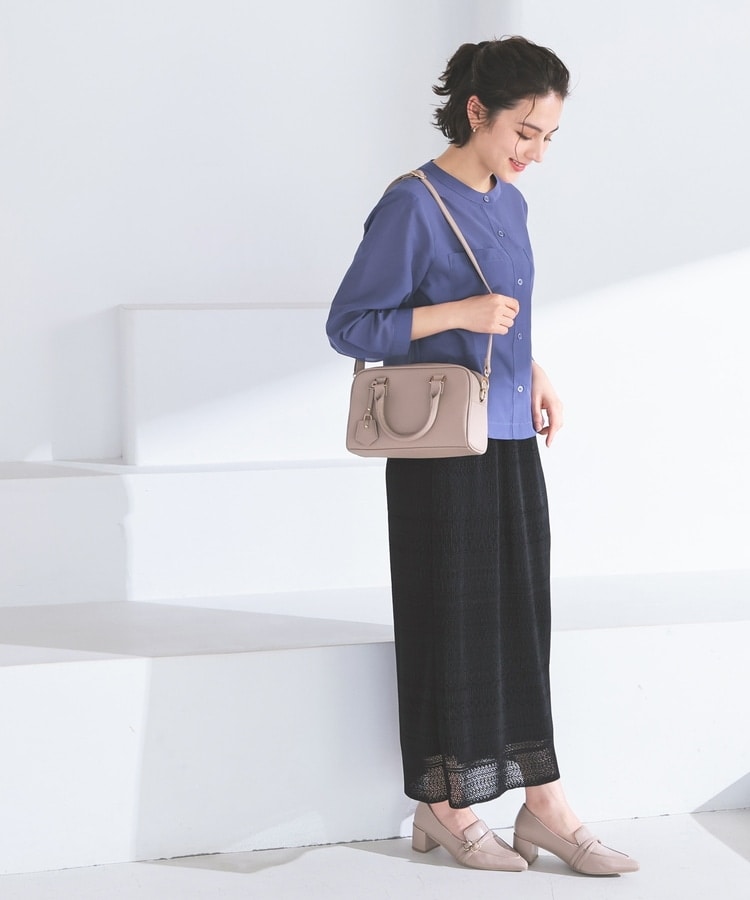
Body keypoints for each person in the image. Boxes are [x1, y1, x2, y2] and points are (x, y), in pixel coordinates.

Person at [326, 36, 638, 876]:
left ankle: (544, 803)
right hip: (440, 445)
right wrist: (456, 314)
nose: (535, 152)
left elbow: (507, 314)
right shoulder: (414, 203)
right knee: (448, 624)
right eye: (524, 132)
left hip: (508, 436)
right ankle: (444, 804)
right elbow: (350, 326)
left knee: (520, 623)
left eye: (548, 137)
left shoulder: (512, 203)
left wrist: (533, 370)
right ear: (477, 111)